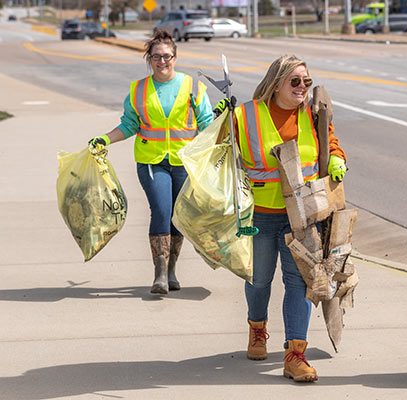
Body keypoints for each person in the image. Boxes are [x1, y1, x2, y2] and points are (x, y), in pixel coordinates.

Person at [226, 55, 347, 382]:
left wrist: (337, 158)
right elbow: (221, 152)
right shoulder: (245, 115)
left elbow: (330, 143)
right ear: (276, 82)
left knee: (299, 283)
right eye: (295, 81)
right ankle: (257, 327)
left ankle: (295, 354)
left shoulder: (313, 113)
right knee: (260, 280)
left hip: (303, 219)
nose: (302, 88)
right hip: (261, 216)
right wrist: (218, 121)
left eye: (306, 82)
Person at [88, 30, 213, 295]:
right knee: (161, 210)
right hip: (151, 161)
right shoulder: (139, 89)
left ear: (175, 58)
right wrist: (105, 139)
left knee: (177, 218)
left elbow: (208, 125)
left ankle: (171, 270)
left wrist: (223, 118)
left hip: (184, 162)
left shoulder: (193, 87)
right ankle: (159, 274)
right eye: (156, 57)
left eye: (167, 56)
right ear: (149, 59)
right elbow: (129, 124)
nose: (162, 61)